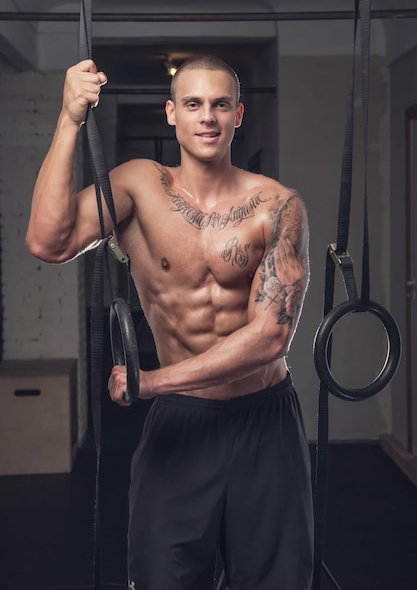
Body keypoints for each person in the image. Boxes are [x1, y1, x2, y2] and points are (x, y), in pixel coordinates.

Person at [26, 54, 313, 590]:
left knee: (277, 579)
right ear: (171, 114)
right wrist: (68, 119)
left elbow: (272, 334)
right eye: (194, 104)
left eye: (220, 105)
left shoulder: (277, 205)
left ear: (239, 116)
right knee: (163, 576)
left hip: (264, 422)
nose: (208, 117)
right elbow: (48, 241)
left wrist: (152, 382)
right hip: (181, 426)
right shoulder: (138, 186)